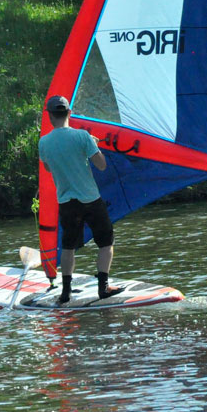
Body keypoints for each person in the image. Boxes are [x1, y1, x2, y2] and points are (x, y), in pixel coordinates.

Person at [38, 95, 123, 304]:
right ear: (69, 113)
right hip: (90, 199)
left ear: (50, 117)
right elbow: (101, 165)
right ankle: (103, 288)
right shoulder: (83, 137)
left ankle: (65, 292)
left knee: (68, 246)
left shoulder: (44, 142)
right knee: (106, 242)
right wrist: (93, 146)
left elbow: (48, 167)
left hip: (67, 202)